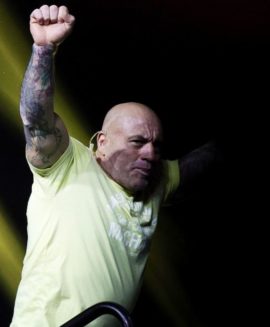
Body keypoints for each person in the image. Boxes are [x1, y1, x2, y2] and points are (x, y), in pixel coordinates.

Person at [11, 5, 220, 326]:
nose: (150, 154)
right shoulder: (67, 164)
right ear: (102, 143)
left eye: (156, 146)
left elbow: (203, 165)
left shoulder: (155, 180)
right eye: (137, 142)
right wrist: (43, 48)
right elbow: (37, 122)